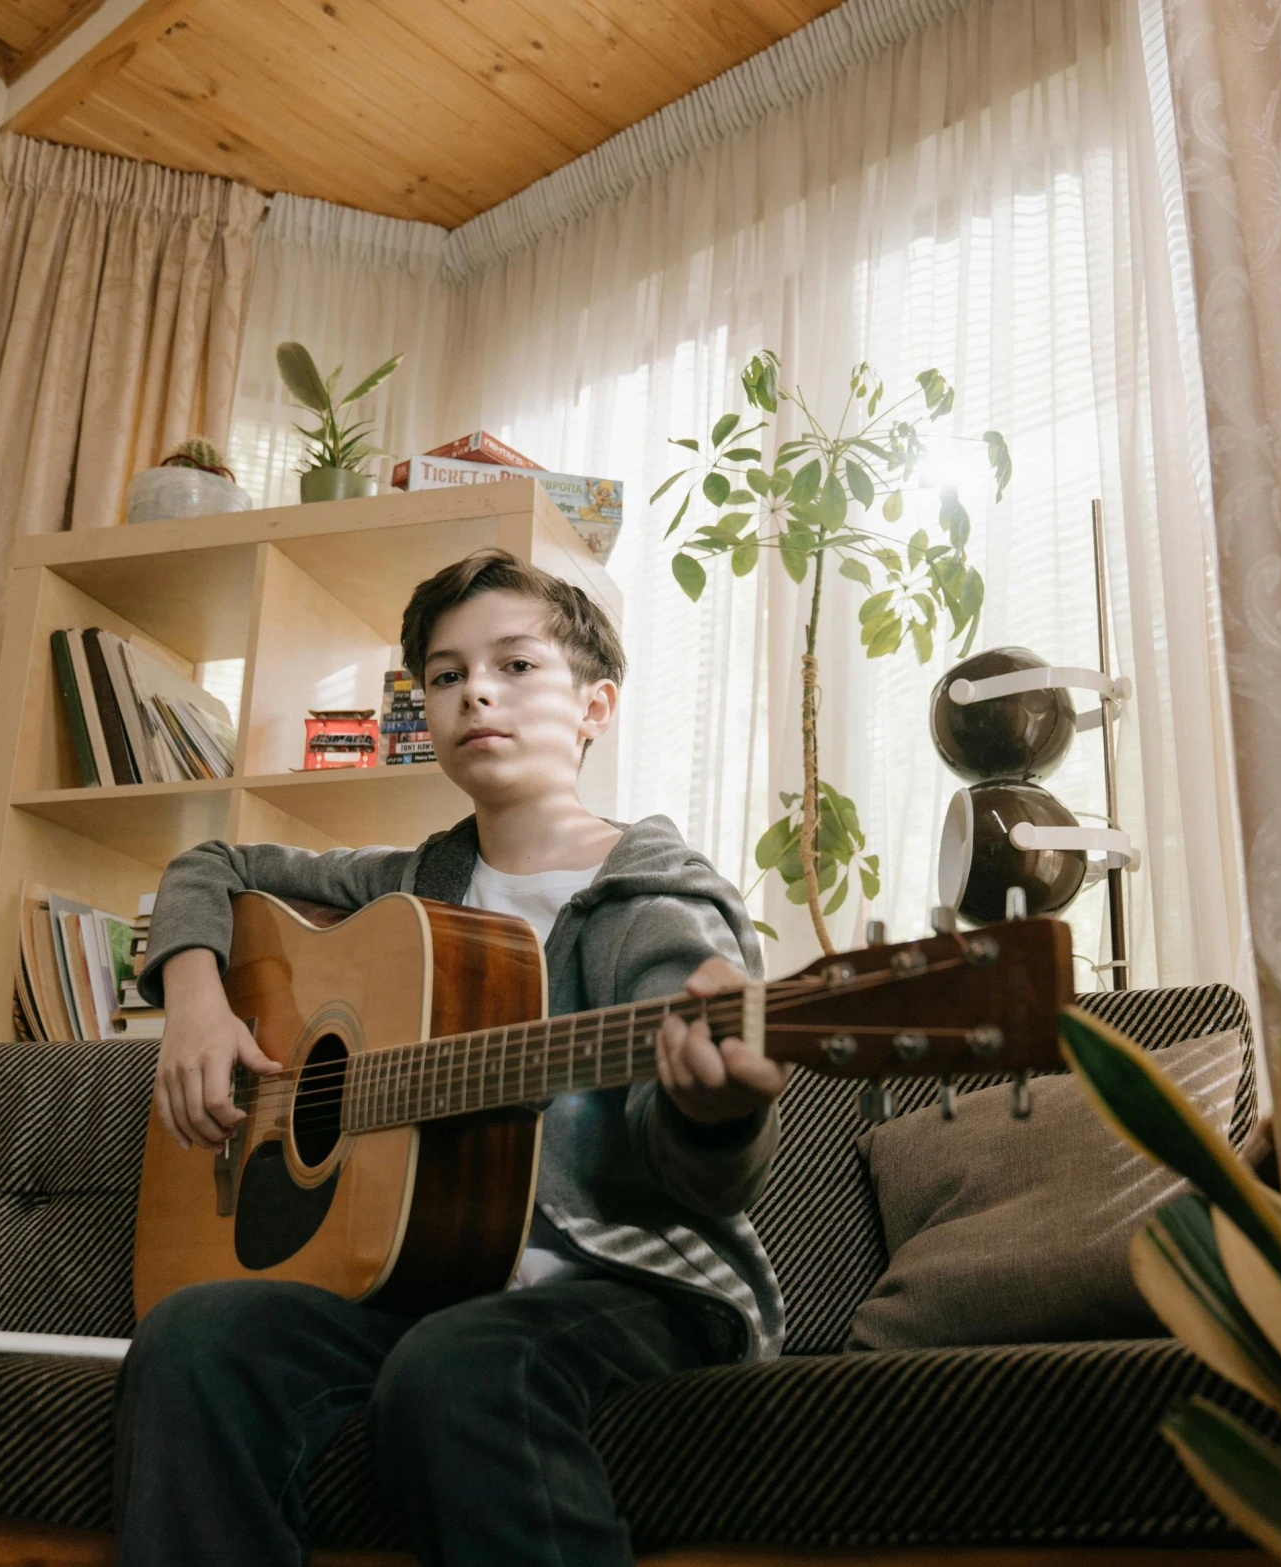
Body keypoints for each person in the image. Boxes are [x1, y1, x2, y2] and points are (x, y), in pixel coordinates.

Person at [114, 549, 786, 1567]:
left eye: (515, 665)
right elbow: (213, 863)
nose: (474, 688)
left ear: (594, 705)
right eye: (443, 673)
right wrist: (196, 1000)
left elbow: (689, 1169)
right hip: (431, 1280)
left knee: (459, 1368)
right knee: (191, 1337)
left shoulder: (656, 904)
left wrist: (714, 1111)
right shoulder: (412, 885)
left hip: (632, 1283)